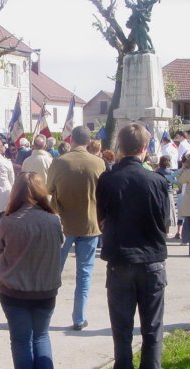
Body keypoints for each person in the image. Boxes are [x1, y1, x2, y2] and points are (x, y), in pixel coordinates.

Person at [96, 123, 168, 369]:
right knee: (153, 330)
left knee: (122, 331)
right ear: (145, 148)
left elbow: (101, 219)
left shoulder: (108, 179)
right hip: (151, 261)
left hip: (121, 261)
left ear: (120, 146)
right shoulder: (158, 180)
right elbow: (164, 222)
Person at [0, 172, 63, 369]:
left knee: (21, 341)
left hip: (14, 289)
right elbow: (59, 243)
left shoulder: (8, 220)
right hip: (46, 288)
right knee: (41, 335)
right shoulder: (53, 220)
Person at [47, 126, 106, 330]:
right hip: (90, 223)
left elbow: (48, 188)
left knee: (54, 271)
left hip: (63, 223)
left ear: (71, 139)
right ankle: (79, 318)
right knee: (85, 273)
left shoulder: (59, 162)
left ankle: (46, 314)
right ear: (89, 142)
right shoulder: (99, 163)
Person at [155, 155, 177, 236]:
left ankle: (161, 230)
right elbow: (175, 184)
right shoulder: (171, 172)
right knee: (169, 212)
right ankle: (167, 231)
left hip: (159, 192)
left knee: (160, 211)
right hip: (169, 192)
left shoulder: (157, 171)